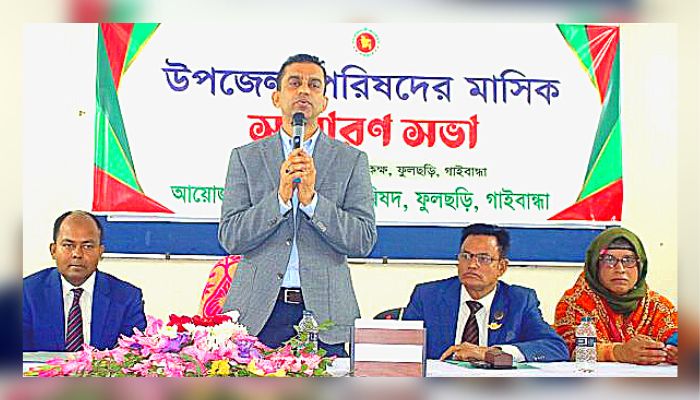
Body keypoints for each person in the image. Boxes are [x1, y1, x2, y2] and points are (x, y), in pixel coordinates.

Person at [218, 54, 377, 356]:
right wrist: (279, 199)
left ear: (324, 102)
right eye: (294, 83)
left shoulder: (351, 160)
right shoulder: (246, 157)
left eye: (314, 85)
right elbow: (230, 237)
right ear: (277, 97)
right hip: (258, 315)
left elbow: (363, 240)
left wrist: (312, 202)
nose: (304, 90)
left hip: (325, 315)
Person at [404, 223, 568, 362]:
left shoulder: (520, 301)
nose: (472, 265)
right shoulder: (427, 296)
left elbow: (556, 347)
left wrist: (493, 353)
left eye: (483, 258)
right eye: (466, 256)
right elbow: (402, 347)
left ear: (501, 267)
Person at [23, 210, 146, 351]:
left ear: (100, 252)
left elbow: (133, 353)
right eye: (68, 245)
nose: (77, 254)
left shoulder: (127, 298)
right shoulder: (26, 293)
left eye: (87, 246)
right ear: (53, 250)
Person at [554, 227, 678, 364]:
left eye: (628, 260)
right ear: (595, 265)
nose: (620, 269)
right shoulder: (574, 303)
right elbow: (566, 349)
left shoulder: (658, 307)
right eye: (609, 259)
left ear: (640, 266)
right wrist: (617, 352)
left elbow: (676, 336)